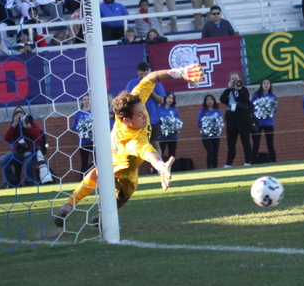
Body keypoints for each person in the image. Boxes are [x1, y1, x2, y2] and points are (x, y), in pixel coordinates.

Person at [54, 64, 204, 226]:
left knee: (117, 192)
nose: (144, 116)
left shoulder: (134, 101)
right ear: (126, 121)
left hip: (121, 167)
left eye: (143, 111)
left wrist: (180, 72)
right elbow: (148, 153)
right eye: (140, 115)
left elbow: (151, 78)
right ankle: (71, 207)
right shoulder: (132, 140)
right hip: (119, 166)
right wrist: (161, 167)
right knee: (100, 177)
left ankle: (93, 216)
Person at [126, 62, 166, 155]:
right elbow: (127, 102)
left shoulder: (156, 84)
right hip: (137, 121)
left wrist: (150, 91)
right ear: (137, 73)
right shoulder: (132, 84)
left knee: (155, 144)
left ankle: (159, 168)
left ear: (149, 72)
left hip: (153, 120)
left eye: (145, 74)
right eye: (141, 74)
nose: (143, 76)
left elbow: (161, 101)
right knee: (137, 145)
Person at [0, 107, 43, 187]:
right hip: (18, 153)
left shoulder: (32, 124)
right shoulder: (13, 126)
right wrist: (13, 126)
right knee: (2, 160)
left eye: (21, 117)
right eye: (18, 118)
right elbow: (7, 139)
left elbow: (38, 138)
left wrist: (29, 127)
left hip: (31, 152)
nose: (20, 119)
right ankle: (13, 182)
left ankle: (28, 181)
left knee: (28, 157)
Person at [219, 71, 253, 167]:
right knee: (231, 143)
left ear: (240, 79)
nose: (235, 81)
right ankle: (228, 164)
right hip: (231, 119)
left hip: (243, 118)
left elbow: (246, 100)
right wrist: (229, 89)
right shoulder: (228, 91)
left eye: (236, 79)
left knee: (245, 141)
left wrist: (239, 89)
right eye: (232, 79)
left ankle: (247, 162)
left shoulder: (244, 90)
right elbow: (222, 99)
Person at [251, 78, 278, 164]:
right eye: (264, 83)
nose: (266, 85)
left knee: (270, 144)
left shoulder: (273, 97)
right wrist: (257, 114)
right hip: (258, 123)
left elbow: (274, 109)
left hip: (269, 123)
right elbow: (252, 107)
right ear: (261, 85)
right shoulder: (255, 96)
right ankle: (253, 162)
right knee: (256, 143)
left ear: (270, 86)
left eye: (268, 83)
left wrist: (267, 113)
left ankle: (274, 161)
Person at [198, 94, 223, 169]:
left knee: (215, 152)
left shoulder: (218, 111)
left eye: (211, 99)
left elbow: (221, 122)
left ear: (214, 101)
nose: (209, 101)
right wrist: (207, 126)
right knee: (210, 151)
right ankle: (209, 167)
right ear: (205, 102)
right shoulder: (202, 112)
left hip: (216, 136)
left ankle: (215, 168)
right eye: (208, 100)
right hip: (206, 136)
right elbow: (199, 123)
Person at [72, 94, 94, 177]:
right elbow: (74, 127)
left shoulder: (94, 112)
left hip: (94, 142)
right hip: (83, 142)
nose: (86, 101)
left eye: (88, 99)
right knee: (84, 162)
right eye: (84, 99)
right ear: (82, 101)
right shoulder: (78, 114)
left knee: (96, 162)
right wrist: (83, 133)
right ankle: (82, 179)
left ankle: (97, 179)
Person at [159, 92, 181, 162]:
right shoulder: (159, 108)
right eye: (169, 97)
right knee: (160, 152)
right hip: (161, 136)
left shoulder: (174, 110)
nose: (170, 99)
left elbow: (178, 121)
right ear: (165, 98)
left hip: (172, 136)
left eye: (172, 98)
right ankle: (160, 169)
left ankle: (172, 169)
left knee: (172, 154)